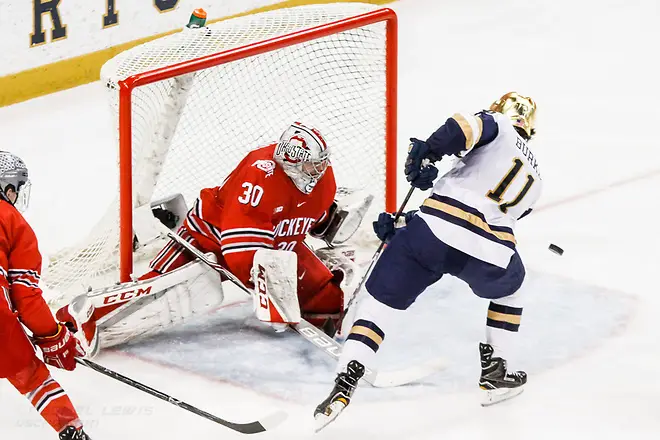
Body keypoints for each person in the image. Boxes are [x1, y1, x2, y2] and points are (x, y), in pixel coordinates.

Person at [314, 92, 542, 430]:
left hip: (430, 234)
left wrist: (427, 152)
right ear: (531, 130)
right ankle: (497, 373)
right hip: (489, 250)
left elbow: (463, 127)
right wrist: (407, 221)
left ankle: (345, 378)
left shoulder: (498, 124)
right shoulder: (537, 182)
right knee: (512, 292)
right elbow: (476, 215)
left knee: (380, 306)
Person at [58, 122, 369, 350]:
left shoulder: (323, 179)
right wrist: (271, 287)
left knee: (324, 289)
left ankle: (321, 318)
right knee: (158, 289)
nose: (318, 172)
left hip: (274, 246)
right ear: (290, 161)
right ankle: (78, 317)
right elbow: (239, 252)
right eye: (311, 165)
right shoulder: (259, 176)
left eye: (321, 163)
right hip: (207, 236)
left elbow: (309, 217)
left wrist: (327, 221)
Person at [0, 152, 92, 439]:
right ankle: (71, 431)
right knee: (31, 375)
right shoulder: (11, 219)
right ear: (9, 189)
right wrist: (53, 336)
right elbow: (26, 298)